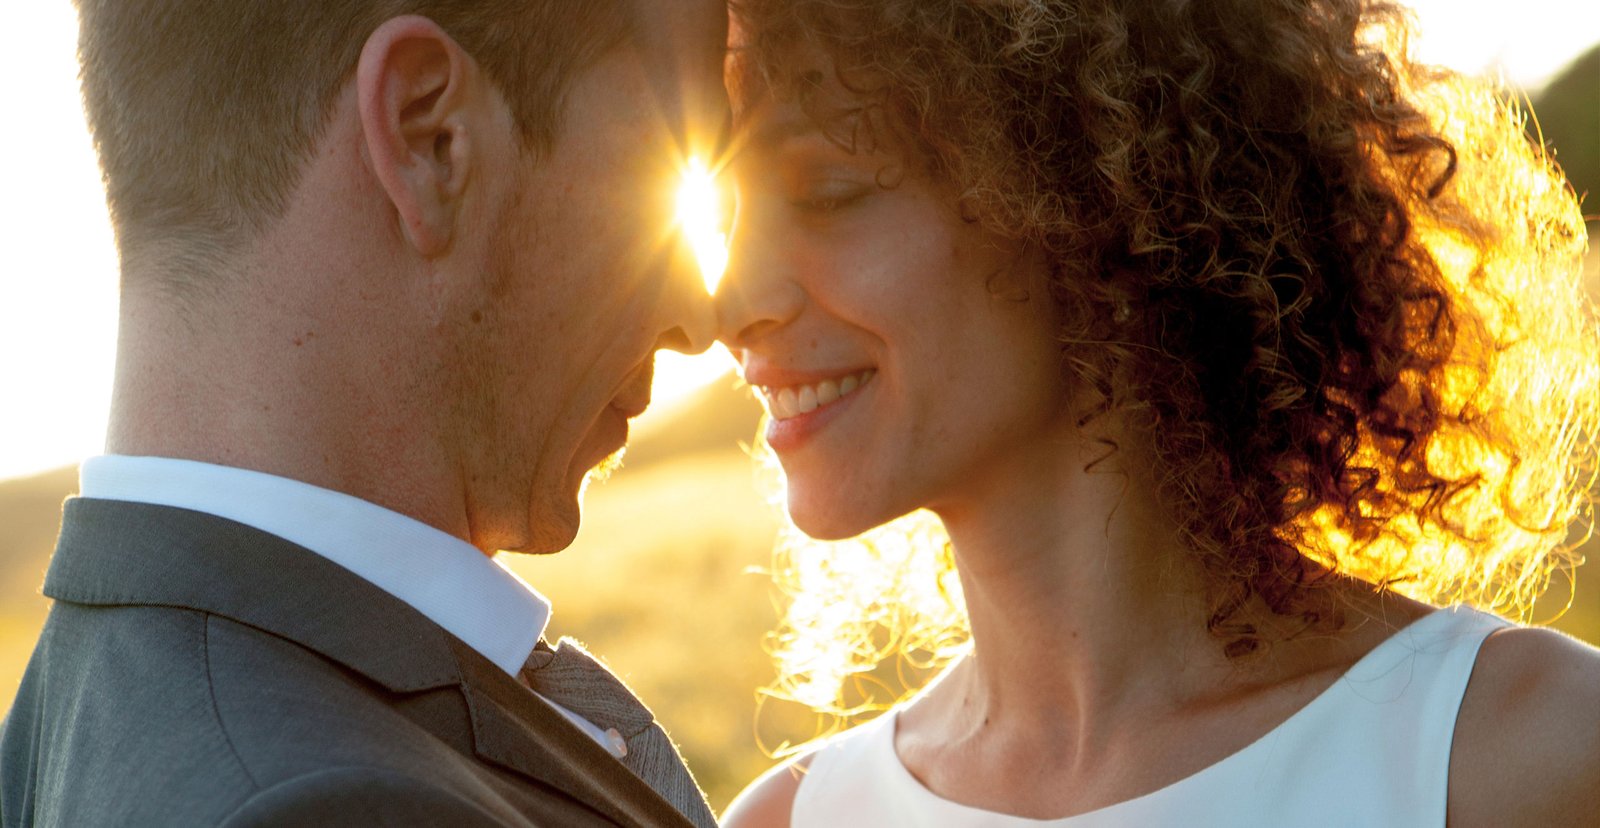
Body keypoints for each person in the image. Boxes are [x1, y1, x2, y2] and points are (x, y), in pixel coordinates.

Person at [715, 0, 1600, 825]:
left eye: (825, 194)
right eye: (722, 220)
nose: (727, 304)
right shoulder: (793, 817)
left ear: (1086, 191)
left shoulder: (1525, 756)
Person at [0, 1, 727, 825]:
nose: (699, 316)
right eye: (653, 170)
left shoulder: (69, 724)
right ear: (430, 136)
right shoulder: (335, 804)